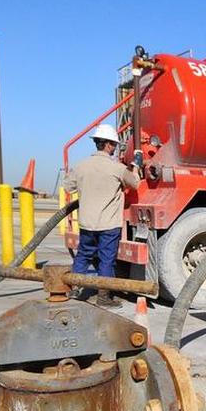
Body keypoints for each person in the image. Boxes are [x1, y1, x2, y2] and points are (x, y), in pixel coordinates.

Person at [64, 123, 141, 307]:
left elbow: (68, 186)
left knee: (83, 256)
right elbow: (135, 183)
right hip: (108, 225)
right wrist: (135, 167)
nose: (115, 149)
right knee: (107, 260)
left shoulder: (81, 166)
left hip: (87, 223)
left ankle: (75, 289)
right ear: (108, 145)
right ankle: (103, 297)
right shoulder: (117, 168)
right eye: (114, 145)